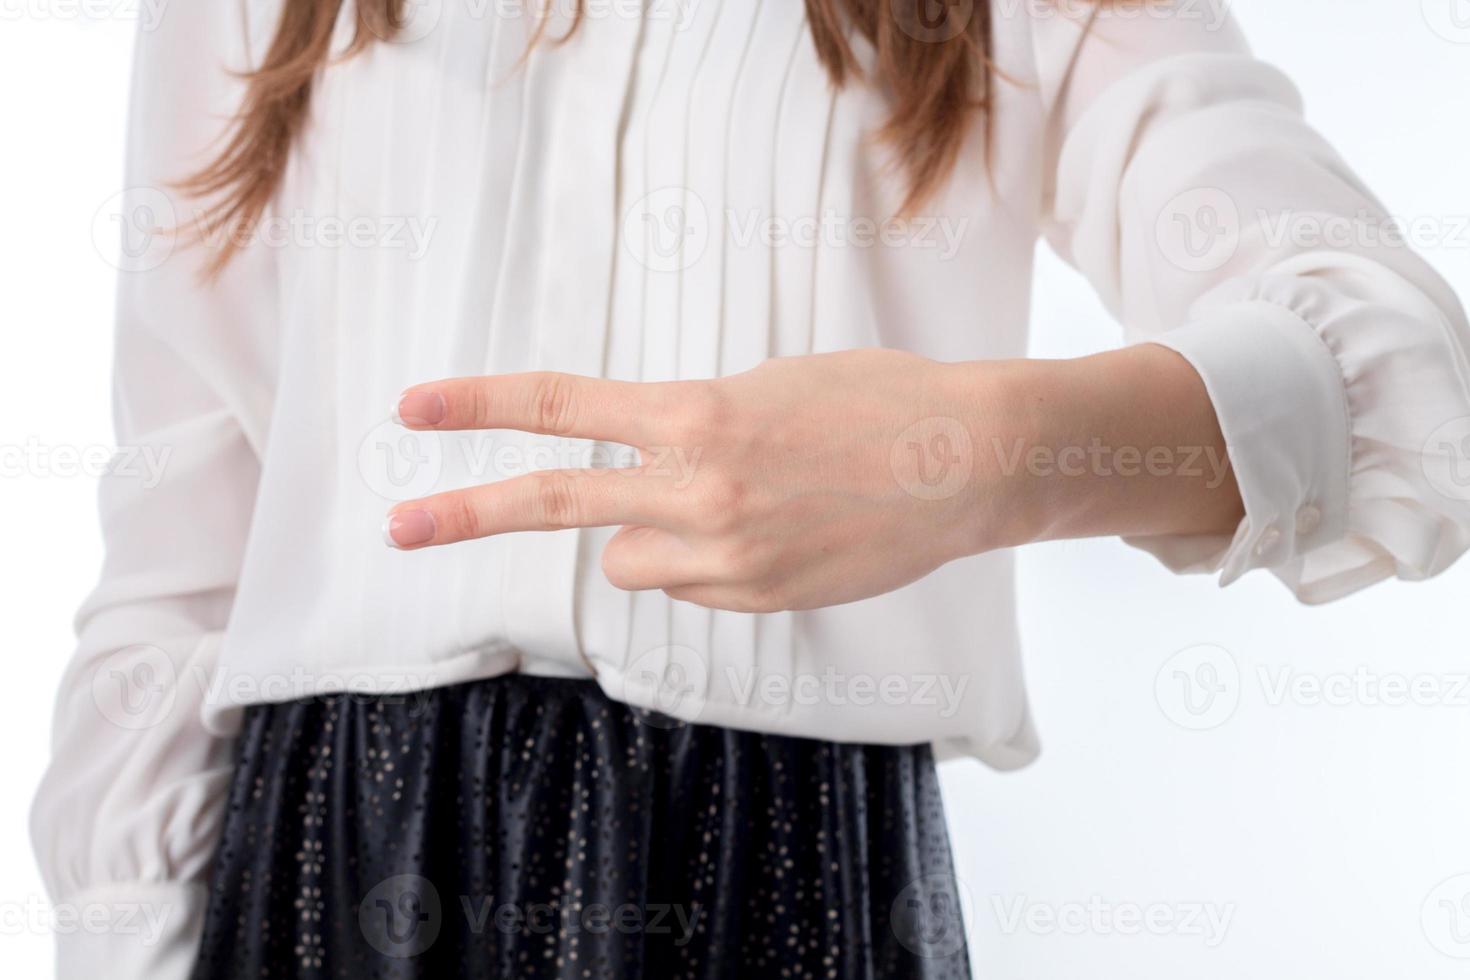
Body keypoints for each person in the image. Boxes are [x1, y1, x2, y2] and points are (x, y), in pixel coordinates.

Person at [33, 1, 1470, 977]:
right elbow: (176, 555)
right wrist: (124, 937)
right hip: (325, 863)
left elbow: (1401, 379)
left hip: (785, 875)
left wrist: (969, 459)